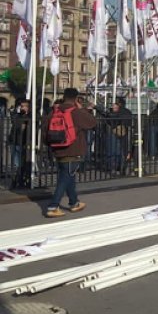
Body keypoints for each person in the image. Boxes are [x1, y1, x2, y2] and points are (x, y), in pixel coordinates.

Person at [43, 88, 96, 218]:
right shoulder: (75, 112)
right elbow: (92, 122)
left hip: (57, 149)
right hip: (73, 149)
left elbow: (45, 130)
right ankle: (53, 206)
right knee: (65, 178)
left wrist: (51, 146)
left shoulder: (54, 112)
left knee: (69, 177)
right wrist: (82, 108)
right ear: (76, 98)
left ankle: (74, 203)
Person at [8, 99, 31, 188]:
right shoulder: (17, 115)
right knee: (16, 163)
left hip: (23, 142)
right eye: (20, 106)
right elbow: (14, 122)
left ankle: (18, 181)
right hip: (14, 141)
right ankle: (17, 180)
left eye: (23, 106)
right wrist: (15, 111)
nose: (21, 108)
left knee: (21, 164)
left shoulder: (30, 116)